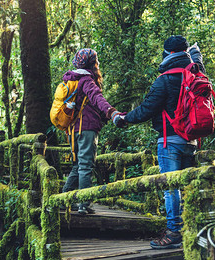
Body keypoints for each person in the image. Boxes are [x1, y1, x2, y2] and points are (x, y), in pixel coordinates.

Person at [112, 35, 205, 249]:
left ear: (168, 54)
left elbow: (147, 109)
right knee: (188, 185)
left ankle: (174, 232)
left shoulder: (165, 79)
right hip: (191, 140)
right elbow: (198, 61)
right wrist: (195, 52)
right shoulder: (196, 73)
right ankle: (191, 230)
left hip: (169, 141)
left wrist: (125, 118)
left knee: (171, 188)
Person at [62, 48, 120, 215]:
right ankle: (83, 204)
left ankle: (63, 200)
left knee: (78, 166)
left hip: (74, 129)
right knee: (86, 166)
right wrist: (111, 112)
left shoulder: (73, 78)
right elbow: (97, 98)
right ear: (92, 63)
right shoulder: (86, 81)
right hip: (86, 129)